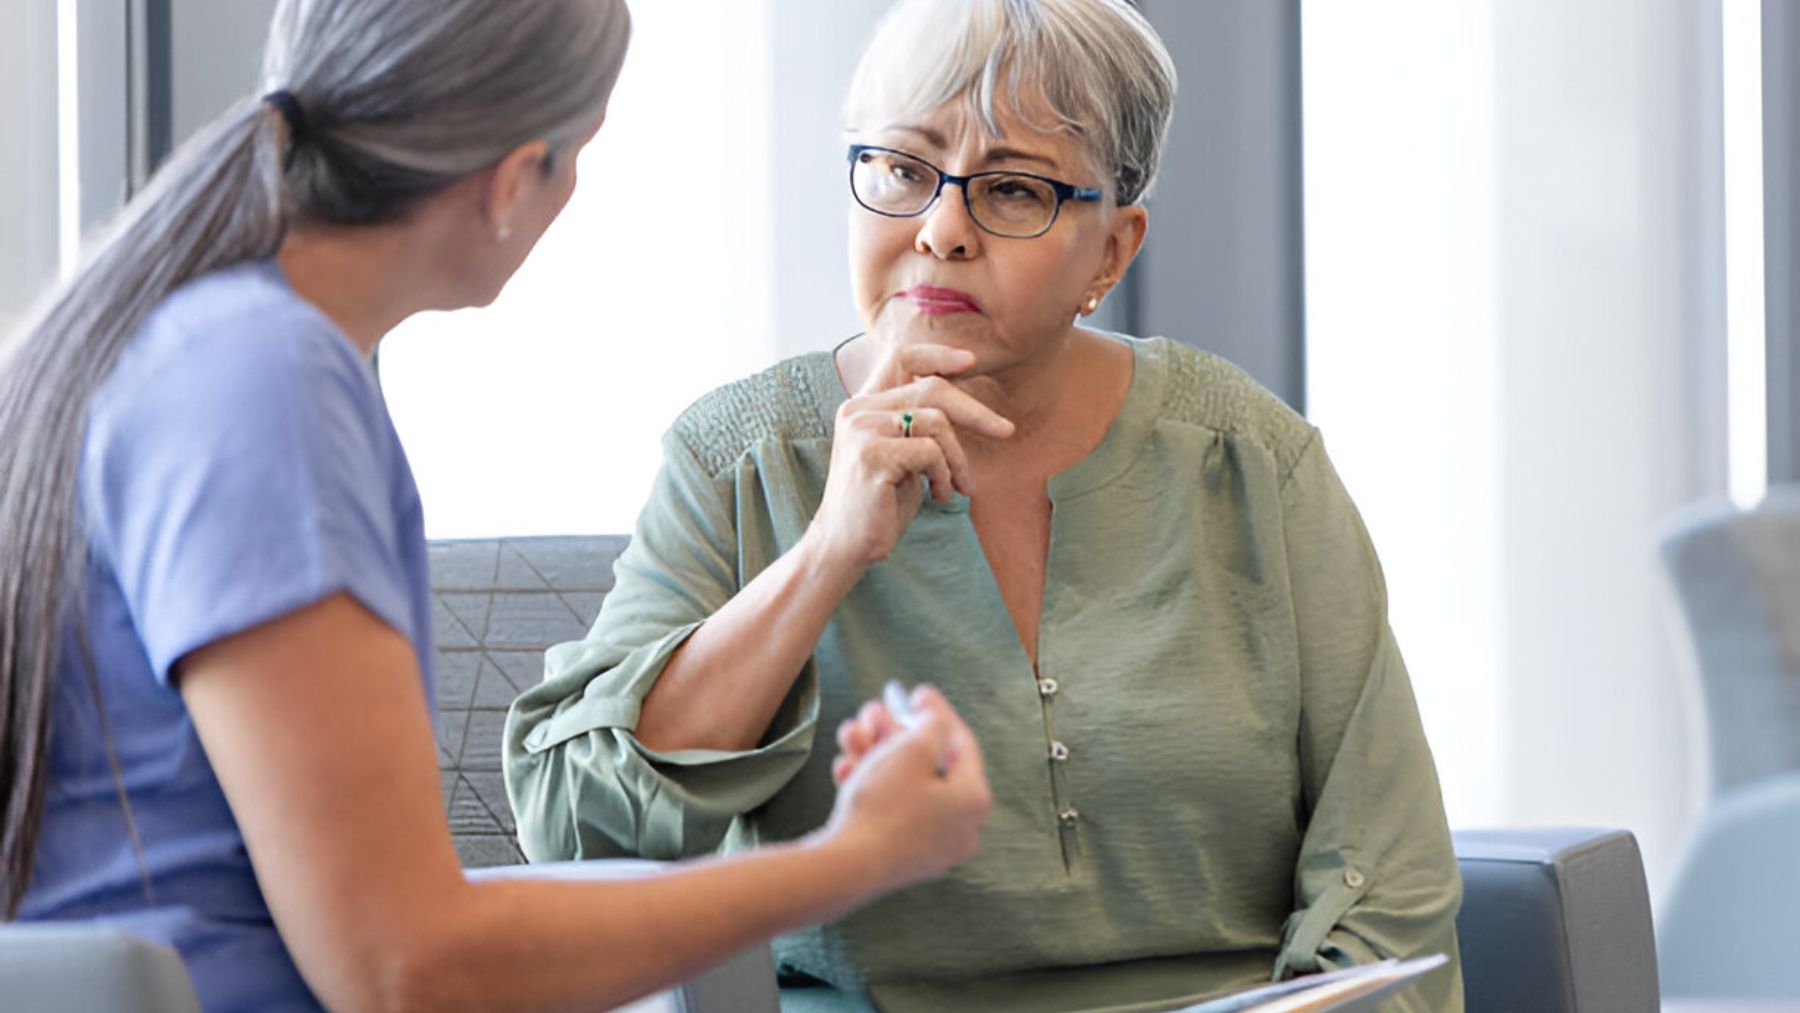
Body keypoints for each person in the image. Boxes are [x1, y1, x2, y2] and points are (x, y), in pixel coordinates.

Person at [0, 1, 993, 1010]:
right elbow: (407, 964)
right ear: (518, 177)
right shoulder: (266, 382)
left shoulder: (195, 342)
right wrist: (858, 854)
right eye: (580, 160)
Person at [505, 0, 1464, 1010]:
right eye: (904, 170)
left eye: (1012, 190)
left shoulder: (1252, 461)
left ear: (1112, 251)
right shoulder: (739, 459)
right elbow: (578, 832)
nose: (941, 228)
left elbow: (1388, 872)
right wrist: (827, 549)